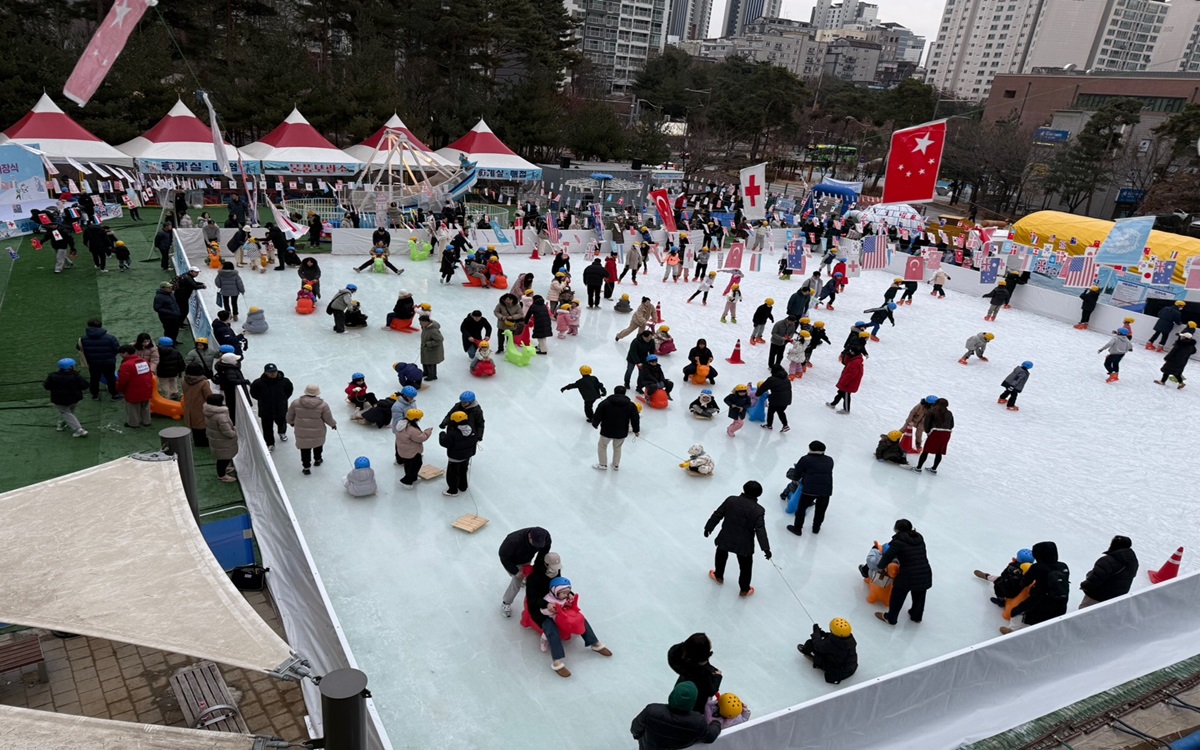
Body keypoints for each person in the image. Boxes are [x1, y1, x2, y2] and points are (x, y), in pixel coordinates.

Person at [523, 555, 611, 678]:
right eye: (553, 567)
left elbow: (558, 586)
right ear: (546, 565)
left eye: (557, 568)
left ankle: (594, 643)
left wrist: (569, 594)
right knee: (551, 627)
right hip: (540, 608)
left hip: (558, 601)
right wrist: (547, 604)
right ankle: (557, 661)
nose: (556, 570)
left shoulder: (556, 571)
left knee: (579, 617)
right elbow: (532, 601)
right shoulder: (534, 579)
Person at [705, 481, 772, 597]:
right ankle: (744, 589)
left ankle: (719, 576)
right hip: (744, 544)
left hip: (726, 536)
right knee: (745, 567)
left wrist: (709, 527)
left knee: (721, 555)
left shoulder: (731, 500)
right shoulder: (758, 510)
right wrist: (766, 549)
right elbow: (760, 530)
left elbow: (718, 514)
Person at [1000, 541, 1069, 634]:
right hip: (1061, 603)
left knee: (1017, 611)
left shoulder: (1037, 567)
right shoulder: (1063, 566)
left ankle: (1011, 630)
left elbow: (1024, 582)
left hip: (1041, 599)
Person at [875, 519, 932, 625]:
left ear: (897, 529)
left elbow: (888, 556)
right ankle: (916, 616)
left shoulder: (898, 541)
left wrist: (880, 567)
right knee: (919, 595)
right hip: (925, 572)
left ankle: (891, 618)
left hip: (908, 575)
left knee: (898, 596)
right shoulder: (918, 537)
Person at [498, 527, 552, 617]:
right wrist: (515, 571)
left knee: (527, 575)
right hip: (512, 561)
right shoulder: (512, 540)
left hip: (526, 559)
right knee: (516, 583)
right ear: (530, 537)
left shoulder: (545, 537)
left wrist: (537, 566)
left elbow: (543, 553)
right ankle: (506, 603)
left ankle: (522, 578)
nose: (537, 546)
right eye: (535, 544)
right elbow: (504, 556)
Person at [286, 384, 337, 475]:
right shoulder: (323, 405)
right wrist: (333, 424)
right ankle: (317, 459)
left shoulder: (296, 403)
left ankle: (306, 467)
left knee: (305, 449)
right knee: (318, 445)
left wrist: (291, 422)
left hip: (301, 431)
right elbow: (328, 418)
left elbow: (290, 415)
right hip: (318, 431)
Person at [786, 441, 834, 536]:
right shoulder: (829, 460)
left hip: (809, 490)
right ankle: (816, 528)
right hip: (825, 490)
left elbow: (796, 475)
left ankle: (798, 528)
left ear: (811, 449)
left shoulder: (805, 459)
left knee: (801, 509)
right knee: (820, 511)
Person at [666, 634, 722, 712]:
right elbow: (710, 691)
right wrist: (717, 677)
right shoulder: (705, 673)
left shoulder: (681, 659)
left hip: (681, 688)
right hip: (696, 703)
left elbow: (673, 653)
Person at [1079, 536, 1138, 608]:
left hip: (1098, 596)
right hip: (1116, 598)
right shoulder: (1133, 561)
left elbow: (1094, 580)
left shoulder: (1107, 561)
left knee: (1084, 612)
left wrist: (1084, 585)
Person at [591, 385, 640, 470]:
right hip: (621, 431)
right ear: (624, 393)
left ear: (614, 392)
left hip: (607, 430)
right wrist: (636, 430)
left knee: (602, 446)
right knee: (617, 447)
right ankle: (615, 465)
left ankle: (603, 464)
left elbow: (598, 413)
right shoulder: (631, 405)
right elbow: (635, 418)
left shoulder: (605, 403)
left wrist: (595, 423)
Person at [797, 618, 858, 685]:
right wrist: (823, 634)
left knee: (810, 643)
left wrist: (816, 633)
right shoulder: (850, 640)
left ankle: (805, 650)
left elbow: (817, 646)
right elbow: (834, 638)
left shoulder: (831, 644)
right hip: (851, 668)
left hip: (837, 673)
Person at [249, 363, 293, 451]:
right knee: (267, 427)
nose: (273, 373)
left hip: (280, 408)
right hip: (266, 410)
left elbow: (289, 390)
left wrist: (283, 399)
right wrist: (263, 400)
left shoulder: (285, 381)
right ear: (265, 372)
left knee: (281, 422)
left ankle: (282, 432)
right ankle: (270, 443)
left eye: (274, 371)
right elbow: (254, 393)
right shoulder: (258, 383)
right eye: (270, 372)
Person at [44, 358, 89, 438]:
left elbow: (46, 386)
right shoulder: (75, 376)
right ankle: (78, 430)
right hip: (74, 398)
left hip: (59, 399)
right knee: (68, 413)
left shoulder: (52, 376)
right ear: (71, 367)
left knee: (65, 412)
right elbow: (85, 386)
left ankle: (61, 425)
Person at [78, 319, 121, 401]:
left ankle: (95, 395)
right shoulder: (110, 337)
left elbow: (79, 348)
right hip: (108, 362)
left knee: (94, 378)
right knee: (110, 378)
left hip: (93, 363)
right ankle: (114, 394)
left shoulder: (83, 338)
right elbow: (116, 349)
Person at [440, 411, 480, 496]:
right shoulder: (472, 430)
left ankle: (453, 490)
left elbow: (445, 443)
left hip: (455, 457)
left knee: (452, 474)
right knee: (463, 471)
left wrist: (442, 434)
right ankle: (463, 486)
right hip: (466, 456)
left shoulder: (453, 433)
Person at [116, 345, 154, 428]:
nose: (120, 355)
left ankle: (134, 423)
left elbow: (122, 380)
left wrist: (119, 388)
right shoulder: (144, 361)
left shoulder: (126, 365)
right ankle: (147, 421)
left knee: (133, 408)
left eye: (121, 353)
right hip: (146, 388)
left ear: (125, 353)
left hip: (133, 390)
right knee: (145, 406)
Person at [204, 393, 239, 483]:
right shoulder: (221, 417)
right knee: (224, 458)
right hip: (223, 441)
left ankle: (223, 470)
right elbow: (227, 432)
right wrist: (234, 433)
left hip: (216, 439)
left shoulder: (208, 411)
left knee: (222, 457)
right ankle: (222, 475)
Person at [914, 398, 954, 473]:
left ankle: (918, 468)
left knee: (926, 450)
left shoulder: (931, 412)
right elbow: (952, 425)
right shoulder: (949, 413)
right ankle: (934, 469)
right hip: (947, 434)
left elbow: (927, 424)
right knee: (939, 451)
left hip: (935, 432)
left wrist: (928, 432)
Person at [827, 338, 866, 414]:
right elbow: (845, 362)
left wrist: (844, 382)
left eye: (851, 351)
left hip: (849, 383)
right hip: (847, 382)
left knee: (846, 395)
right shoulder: (854, 359)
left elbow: (851, 375)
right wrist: (847, 354)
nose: (850, 352)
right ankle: (833, 404)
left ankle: (846, 409)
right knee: (840, 392)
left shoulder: (856, 363)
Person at [182, 363, 212, 446]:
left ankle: (197, 441)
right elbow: (208, 396)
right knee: (201, 426)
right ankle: (203, 443)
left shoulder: (185, 380)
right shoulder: (203, 383)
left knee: (193, 425)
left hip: (189, 406)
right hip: (200, 407)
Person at [755, 365, 792, 432]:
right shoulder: (786, 378)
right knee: (780, 411)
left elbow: (763, 387)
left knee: (771, 411)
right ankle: (785, 425)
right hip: (787, 399)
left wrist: (757, 394)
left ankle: (769, 425)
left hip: (776, 399)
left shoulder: (772, 379)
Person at [418, 315, 445, 380]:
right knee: (425, 361)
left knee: (430, 363)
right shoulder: (425, 327)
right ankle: (426, 372)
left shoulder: (433, 331)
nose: (420, 324)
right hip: (426, 348)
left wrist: (428, 344)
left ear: (426, 322)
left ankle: (432, 376)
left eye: (421, 322)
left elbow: (439, 340)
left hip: (432, 350)